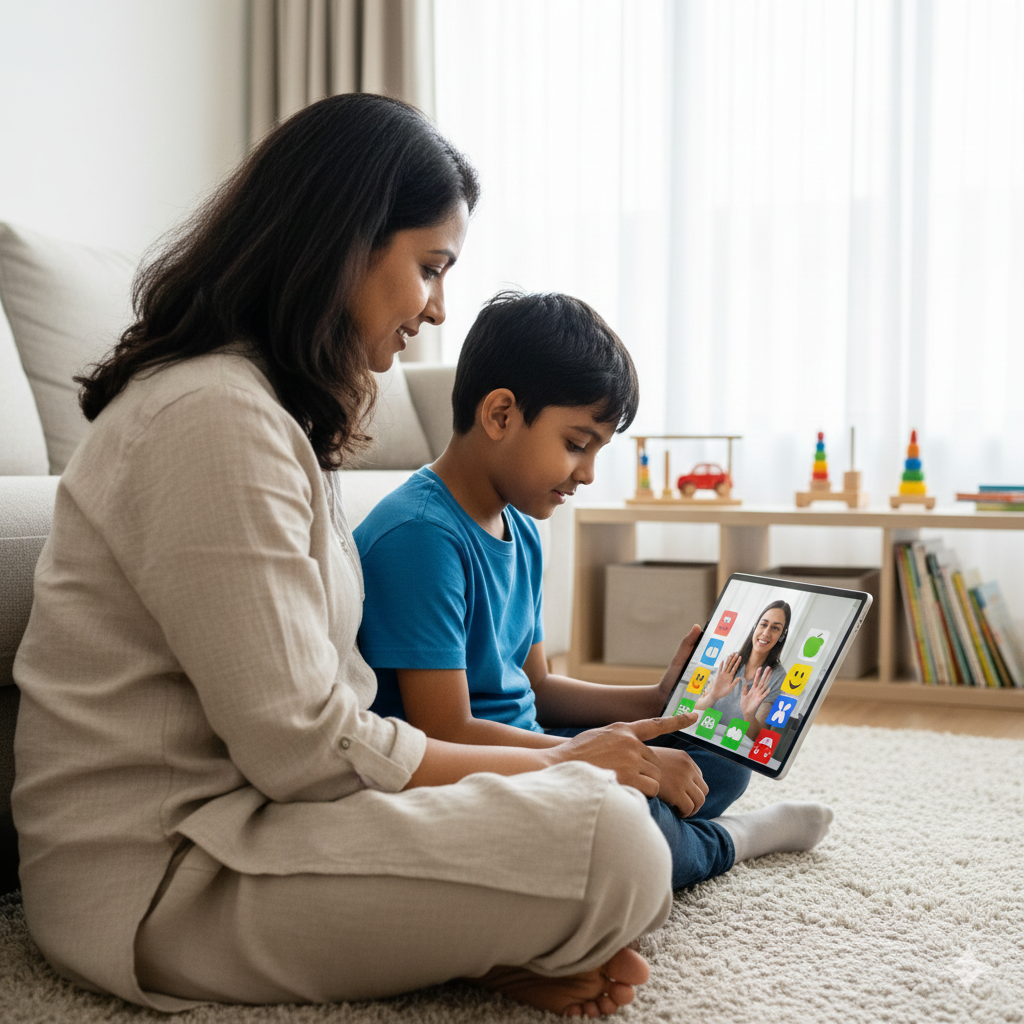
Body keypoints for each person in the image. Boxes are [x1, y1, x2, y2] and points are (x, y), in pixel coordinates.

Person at [11, 95, 694, 1019]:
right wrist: (562, 765)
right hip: (169, 872)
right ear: (344, 241)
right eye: (430, 268)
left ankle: (485, 939)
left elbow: (327, 734)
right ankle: (493, 932)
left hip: (269, 820)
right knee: (612, 835)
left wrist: (566, 765)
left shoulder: (265, 411)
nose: (436, 309)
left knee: (615, 814)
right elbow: (307, 745)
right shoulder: (210, 417)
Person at [355, 291, 834, 892]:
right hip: (474, 774)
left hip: (537, 745)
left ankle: (676, 817)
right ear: (500, 415)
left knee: (720, 759)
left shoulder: (521, 526)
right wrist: (594, 759)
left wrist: (655, 700)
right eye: (577, 444)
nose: (586, 474)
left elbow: (538, 686)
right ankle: (733, 839)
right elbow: (446, 731)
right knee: (636, 830)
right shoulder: (421, 537)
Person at [692, 600, 792, 741]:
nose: (766, 633)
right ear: (755, 626)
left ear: (782, 635)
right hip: (701, 736)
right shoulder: (730, 662)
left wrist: (749, 714)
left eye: (775, 628)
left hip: (732, 747)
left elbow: (757, 738)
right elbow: (694, 710)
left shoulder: (777, 677)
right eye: (763, 624)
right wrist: (713, 695)